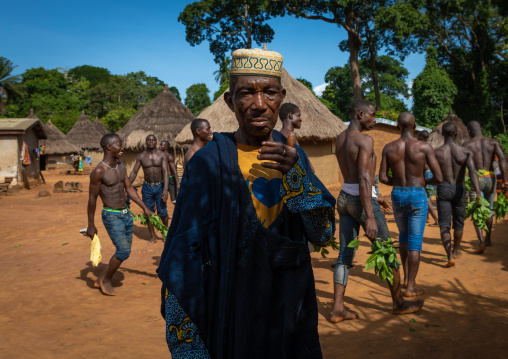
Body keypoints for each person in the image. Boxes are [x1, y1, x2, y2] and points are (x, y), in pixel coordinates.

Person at [157, 48, 335, 358]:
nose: (259, 105)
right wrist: (190, 350)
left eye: (269, 92)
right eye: (246, 93)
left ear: (280, 97)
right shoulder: (208, 162)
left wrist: (297, 177)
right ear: (229, 101)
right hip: (230, 308)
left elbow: (322, 234)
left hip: (288, 308)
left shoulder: (294, 157)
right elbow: (182, 258)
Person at [330, 99, 423, 323]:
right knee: (387, 251)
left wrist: (376, 196)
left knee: (344, 254)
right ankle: (399, 303)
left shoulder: (340, 138)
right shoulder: (364, 139)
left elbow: (354, 178)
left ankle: (337, 309)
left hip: (343, 198)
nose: (374, 119)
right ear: (360, 114)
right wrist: (370, 214)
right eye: (372, 115)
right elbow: (363, 177)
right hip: (361, 203)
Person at [379, 112, 443, 297]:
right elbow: (438, 177)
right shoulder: (424, 147)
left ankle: (407, 278)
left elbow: (383, 177)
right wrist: (421, 182)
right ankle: (410, 287)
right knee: (415, 242)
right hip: (417, 195)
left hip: (397, 194)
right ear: (414, 125)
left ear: (398, 126)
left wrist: (399, 182)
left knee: (404, 237)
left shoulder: (389, 147)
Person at [86, 134, 153, 296]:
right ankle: (106, 280)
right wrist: (91, 224)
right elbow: (92, 199)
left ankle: (100, 278)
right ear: (109, 147)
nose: (122, 148)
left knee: (125, 251)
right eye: (119, 145)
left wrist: (144, 207)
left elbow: (129, 188)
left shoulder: (121, 166)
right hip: (111, 215)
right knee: (123, 251)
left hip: (126, 214)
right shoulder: (98, 171)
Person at [434, 123, 481, 266]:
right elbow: (472, 172)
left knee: (444, 225)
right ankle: (456, 250)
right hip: (460, 189)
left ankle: (449, 256)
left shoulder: (436, 152)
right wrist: (478, 191)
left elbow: (431, 173)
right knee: (459, 223)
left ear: (442, 134)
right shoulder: (465, 152)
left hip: (443, 188)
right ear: (456, 134)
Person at [462, 121, 508, 252]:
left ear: (469, 131)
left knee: (477, 209)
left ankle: (481, 241)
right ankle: (488, 238)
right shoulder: (493, 143)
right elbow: (502, 160)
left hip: (475, 179)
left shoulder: (467, 145)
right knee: (489, 208)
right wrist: (505, 180)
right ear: (481, 128)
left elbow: (463, 165)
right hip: (491, 178)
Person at [129, 134, 169, 244]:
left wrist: (165, 189)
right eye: (149, 140)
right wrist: (127, 185)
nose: (151, 141)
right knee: (148, 212)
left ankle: (166, 234)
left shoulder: (161, 155)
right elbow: (134, 172)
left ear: (156, 142)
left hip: (160, 186)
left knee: (162, 212)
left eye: (153, 140)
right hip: (147, 187)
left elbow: (165, 172)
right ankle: (153, 236)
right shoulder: (141, 156)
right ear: (146, 142)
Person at [416, 130, 439, 226]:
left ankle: (437, 219)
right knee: (427, 195)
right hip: (431, 172)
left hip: (426, 173)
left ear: (421, 137)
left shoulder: (419, 147)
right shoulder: (430, 147)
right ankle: (427, 218)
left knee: (426, 197)